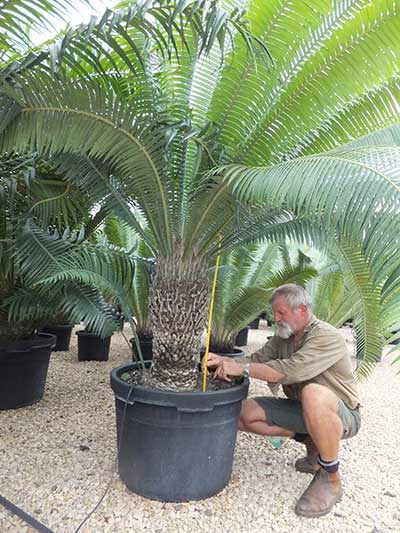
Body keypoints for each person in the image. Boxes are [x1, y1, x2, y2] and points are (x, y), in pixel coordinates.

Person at [206, 284, 361, 518]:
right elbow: (256, 358)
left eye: (281, 313)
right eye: (274, 312)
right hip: (304, 411)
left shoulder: (326, 336)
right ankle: (314, 446)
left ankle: (331, 477)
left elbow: (289, 371)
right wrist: (221, 360)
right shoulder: (284, 337)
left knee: (313, 393)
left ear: (302, 310)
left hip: (342, 415)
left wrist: (242, 368)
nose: (274, 318)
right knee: (242, 414)